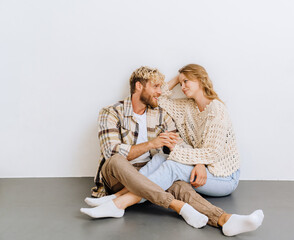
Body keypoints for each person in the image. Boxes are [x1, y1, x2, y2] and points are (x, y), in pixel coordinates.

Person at [81, 65, 264, 236]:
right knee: (148, 160)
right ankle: (124, 201)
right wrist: (181, 76)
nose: (181, 86)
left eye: (187, 82)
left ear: (200, 80)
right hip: (120, 172)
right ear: (139, 86)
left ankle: (225, 219)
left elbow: (208, 152)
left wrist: (198, 162)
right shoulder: (112, 112)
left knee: (176, 177)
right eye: (155, 86)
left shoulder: (213, 110)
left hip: (220, 173)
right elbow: (112, 152)